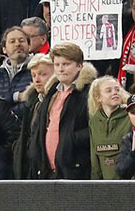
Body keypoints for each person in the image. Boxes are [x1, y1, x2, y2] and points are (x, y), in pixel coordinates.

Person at [27, 42, 96, 179]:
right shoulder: (51, 92)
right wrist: (34, 149)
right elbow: (37, 128)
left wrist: (71, 139)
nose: (61, 69)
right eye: (57, 65)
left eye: (66, 64)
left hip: (75, 171)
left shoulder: (89, 93)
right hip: (46, 172)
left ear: (79, 65)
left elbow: (96, 128)